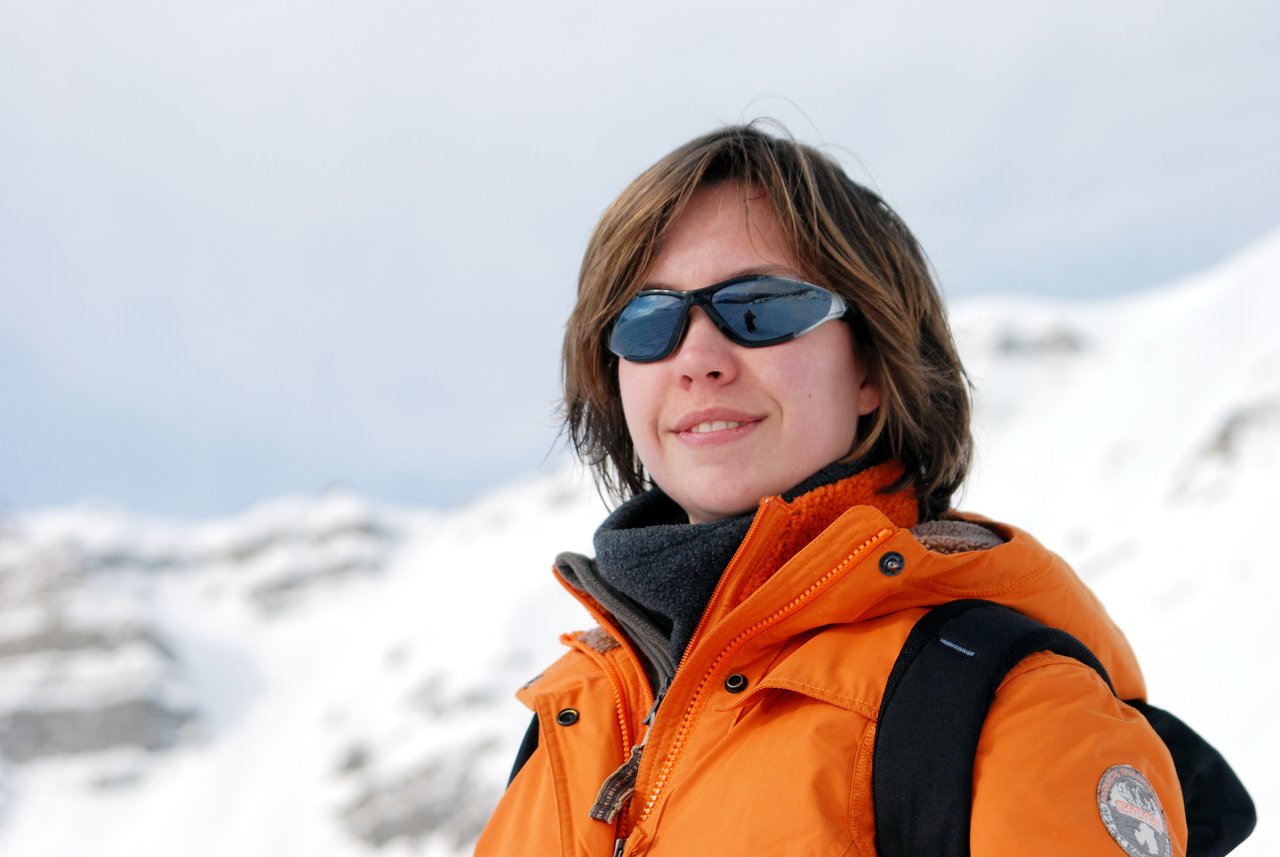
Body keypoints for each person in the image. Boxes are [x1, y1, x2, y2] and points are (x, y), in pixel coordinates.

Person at [474, 124, 1191, 856]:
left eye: (759, 307)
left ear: (871, 368)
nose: (696, 359)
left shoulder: (1011, 711)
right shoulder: (570, 719)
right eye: (648, 321)